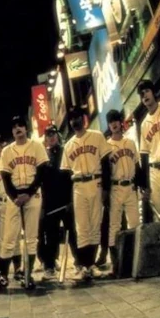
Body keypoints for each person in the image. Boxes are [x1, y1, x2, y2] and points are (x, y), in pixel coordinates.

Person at [60, 108, 112, 282]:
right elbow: (66, 175)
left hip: (96, 182)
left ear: (83, 119)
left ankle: (90, 265)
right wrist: (68, 199)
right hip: (78, 186)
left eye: (77, 117)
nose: (74, 121)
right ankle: (86, 265)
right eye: (71, 119)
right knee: (82, 227)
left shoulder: (97, 136)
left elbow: (106, 163)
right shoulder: (68, 145)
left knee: (95, 225)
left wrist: (106, 189)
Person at [0, 116, 48, 290]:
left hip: (33, 194)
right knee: (9, 238)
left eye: (20, 125)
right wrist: (15, 197)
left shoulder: (37, 146)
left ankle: (28, 273)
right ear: (12, 132)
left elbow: (42, 172)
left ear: (26, 129)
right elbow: (5, 177)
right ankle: (2, 275)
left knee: (31, 238)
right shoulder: (7, 151)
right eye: (14, 127)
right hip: (15, 196)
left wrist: (29, 193)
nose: (17, 129)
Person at [38, 125, 77, 282]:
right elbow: (40, 181)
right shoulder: (43, 156)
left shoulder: (66, 151)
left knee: (72, 234)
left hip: (66, 201)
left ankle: (80, 263)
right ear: (45, 138)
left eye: (53, 134)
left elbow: (71, 176)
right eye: (48, 135)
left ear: (58, 136)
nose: (51, 137)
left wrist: (71, 200)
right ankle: (49, 266)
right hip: (50, 204)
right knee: (51, 237)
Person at [105, 109, 140, 275]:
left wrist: (141, 185)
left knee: (135, 224)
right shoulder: (106, 146)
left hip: (131, 186)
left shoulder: (130, 142)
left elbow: (137, 165)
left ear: (121, 122)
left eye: (115, 121)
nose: (113, 124)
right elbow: (105, 171)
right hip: (115, 187)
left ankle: (137, 261)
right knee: (114, 226)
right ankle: (116, 264)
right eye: (110, 122)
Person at [139, 80, 160, 223]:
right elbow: (144, 155)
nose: (144, 95)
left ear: (153, 92)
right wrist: (146, 185)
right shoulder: (144, 124)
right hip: (154, 172)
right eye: (141, 94)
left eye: (147, 91)